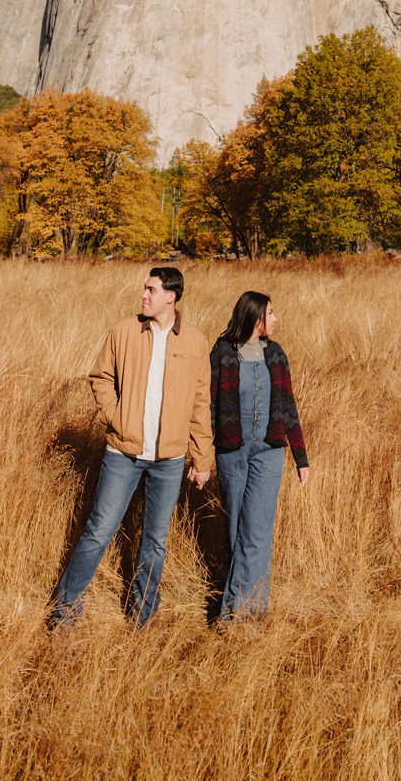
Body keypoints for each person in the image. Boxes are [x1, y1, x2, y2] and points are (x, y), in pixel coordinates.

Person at [49, 265, 214, 628]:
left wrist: (203, 457)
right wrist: (116, 415)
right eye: (145, 288)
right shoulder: (123, 331)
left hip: (169, 459)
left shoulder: (195, 341)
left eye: (151, 290)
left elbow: (201, 403)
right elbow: (101, 377)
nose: (144, 295)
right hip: (122, 453)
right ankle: (63, 613)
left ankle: (143, 617)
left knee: (155, 540)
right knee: (98, 530)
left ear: (171, 296)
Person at [210, 290, 309, 622]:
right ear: (255, 318)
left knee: (259, 530)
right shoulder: (223, 353)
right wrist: (202, 449)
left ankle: (245, 613)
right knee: (237, 528)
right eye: (271, 312)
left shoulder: (276, 353)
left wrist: (301, 457)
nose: (276, 318)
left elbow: (288, 405)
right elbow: (210, 405)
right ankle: (241, 610)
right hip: (232, 450)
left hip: (269, 450)